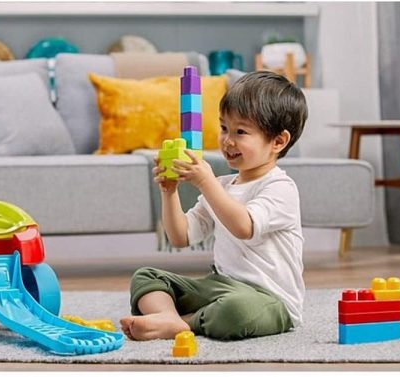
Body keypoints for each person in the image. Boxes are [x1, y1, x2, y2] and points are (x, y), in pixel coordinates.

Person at [120, 71, 308, 341]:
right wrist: (169, 192)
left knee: (236, 311)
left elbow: (244, 226)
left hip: (269, 299)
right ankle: (170, 318)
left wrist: (206, 183)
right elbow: (180, 237)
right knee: (146, 277)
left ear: (278, 141)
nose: (227, 140)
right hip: (221, 285)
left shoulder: (280, 188)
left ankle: (182, 323)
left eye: (240, 132)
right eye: (223, 128)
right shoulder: (221, 185)